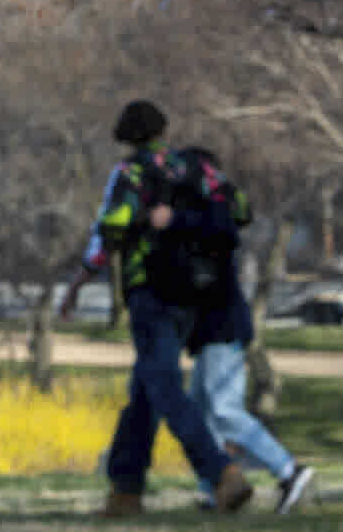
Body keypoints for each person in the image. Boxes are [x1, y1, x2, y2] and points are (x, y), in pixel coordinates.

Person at [64, 100, 254, 518]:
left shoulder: (130, 173)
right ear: (163, 130)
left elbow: (111, 227)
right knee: (145, 391)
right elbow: (240, 210)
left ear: (125, 135)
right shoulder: (199, 167)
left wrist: (79, 281)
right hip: (194, 294)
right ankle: (125, 491)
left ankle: (221, 473)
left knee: (164, 386)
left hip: (150, 292)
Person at [175, 145, 317, 513]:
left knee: (224, 410)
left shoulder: (214, 209)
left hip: (223, 327)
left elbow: (222, 230)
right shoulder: (200, 212)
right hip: (209, 331)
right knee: (203, 413)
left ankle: (289, 470)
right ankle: (217, 490)